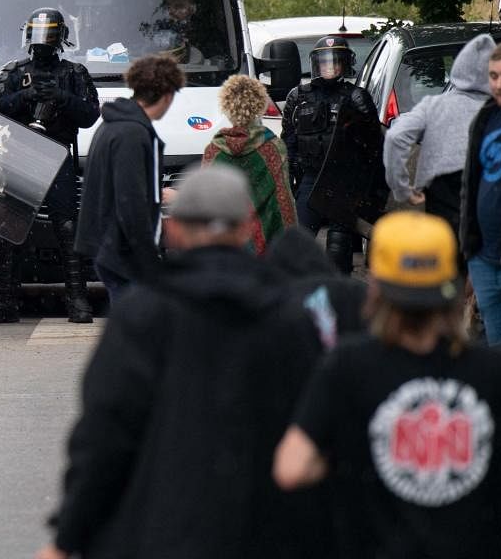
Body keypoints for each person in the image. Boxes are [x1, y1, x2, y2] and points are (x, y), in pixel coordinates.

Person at [39, 165, 328, 559]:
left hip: (157, 532)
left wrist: (68, 536)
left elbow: (104, 434)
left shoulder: (142, 314)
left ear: (174, 231)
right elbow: (318, 431)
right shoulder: (290, 317)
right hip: (262, 533)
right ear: (246, 228)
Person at [275, 211, 501, 557]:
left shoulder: (346, 366)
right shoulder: (492, 371)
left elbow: (291, 467)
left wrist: (356, 458)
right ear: (454, 286)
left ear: (375, 288)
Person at [0, 8, 99, 323]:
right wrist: (25, 96)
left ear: (61, 38)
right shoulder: (13, 71)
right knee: (10, 227)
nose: (42, 43)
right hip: (21, 154)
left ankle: (77, 298)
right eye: (39, 35)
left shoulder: (74, 73)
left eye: (49, 36)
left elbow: (91, 114)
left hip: (57, 152)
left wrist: (63, 98)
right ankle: (5, 299)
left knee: (66, 228)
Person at [75, 55, 184, 303]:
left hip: (112, 249)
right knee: (141, 333)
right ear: (167, 94)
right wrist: (149, 258)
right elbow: (130, 201)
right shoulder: (133, 133)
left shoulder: (113, 125)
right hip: (126, 254)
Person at [385, 34, 496, 258]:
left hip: (442, 190)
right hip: (489, 188)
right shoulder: (496, 111)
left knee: (446, 259)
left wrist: (402, 189)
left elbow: (395, 136)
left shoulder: (433, 105)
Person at [281, 35, 378, 274]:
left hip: (343, 180)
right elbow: (289, 140)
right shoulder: (299, 96)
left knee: (339, 246)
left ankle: (340, 297)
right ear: (316, 64)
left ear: (344, 64)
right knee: (298, 241)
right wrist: (289, 175)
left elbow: (372, 142)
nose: (330, 66)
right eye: (324, 62)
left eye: (335, 62)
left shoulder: (355, 96)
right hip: (311, 176)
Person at [202, 73, 296, 253]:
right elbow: (283, 202)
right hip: (268, 246)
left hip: (227, 245)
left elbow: (208, 203)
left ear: (227, 107)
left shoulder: (214, 150)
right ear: (258, 105)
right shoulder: (272, 147)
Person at [461, 41, 501, 344]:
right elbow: (470, 185)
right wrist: (469, 248)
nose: (499, 85)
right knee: (492, 344)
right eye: (493, 76)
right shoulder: (486, 117)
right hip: (483, 257)